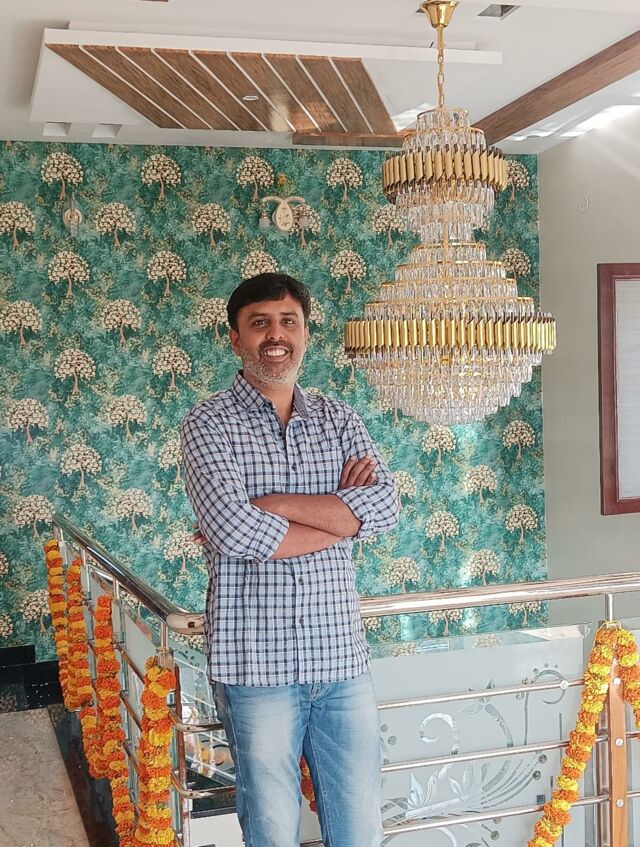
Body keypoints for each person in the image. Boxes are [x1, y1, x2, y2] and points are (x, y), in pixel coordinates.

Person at [180, 273, 399, 847]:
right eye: (260, 324)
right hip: (255, 663)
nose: (275, 335)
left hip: (341, 656)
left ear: (305, 333)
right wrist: (340, 516)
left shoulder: (340, 419)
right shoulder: (208, 423)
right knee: (272, 827)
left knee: (360, 827)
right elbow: (233, 531)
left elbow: (384, 508)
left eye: (288, 322)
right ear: (236, 339)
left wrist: (275, 506)